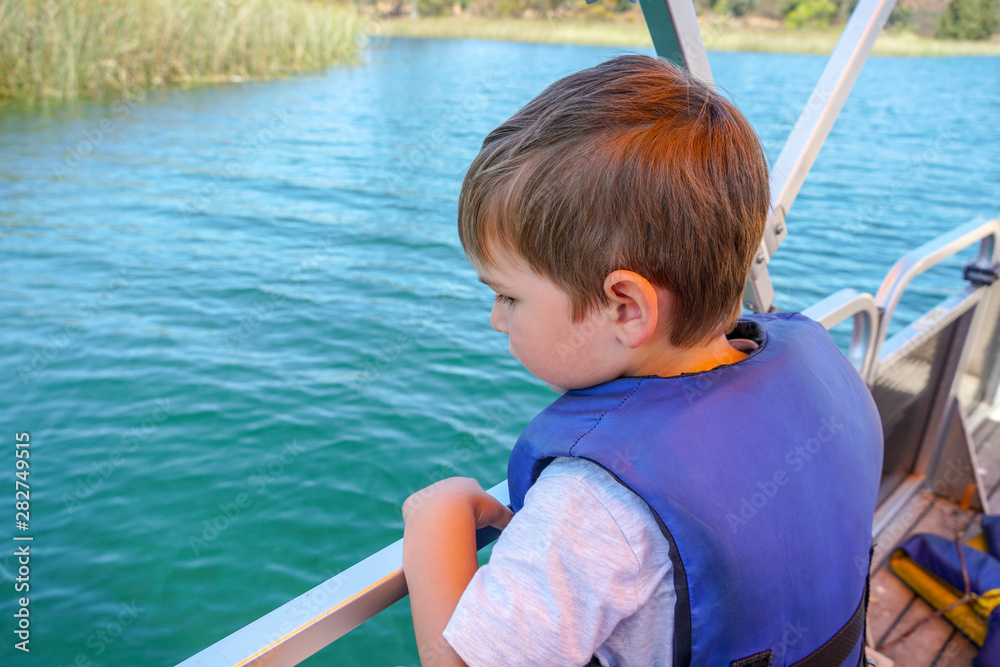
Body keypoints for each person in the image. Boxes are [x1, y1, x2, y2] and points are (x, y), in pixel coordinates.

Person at [401, 54, 883, 667]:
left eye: (507, 295)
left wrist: (437, 518)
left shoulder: (595, 502)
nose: (497, 319)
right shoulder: (817, 365)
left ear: (626, 307)